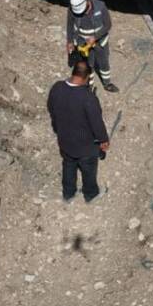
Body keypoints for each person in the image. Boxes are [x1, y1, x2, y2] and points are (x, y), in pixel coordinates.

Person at [48, 61, 109, 202]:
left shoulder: (57, 88)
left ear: (74, 72)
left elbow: (51, 109)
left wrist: (58, 128)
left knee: (68, 165)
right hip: (85, 145)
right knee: (88, 169)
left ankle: (68, 194)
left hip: (64, 140)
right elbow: (96, 123)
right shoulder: (88, 98)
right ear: (86, 77)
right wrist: (103, 139)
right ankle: (91, 194)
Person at [66, 0, 119, 93]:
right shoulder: (72, 9)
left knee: (103, 63)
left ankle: (107, 83)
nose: (81, 13)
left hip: (100, 42)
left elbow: (108, 25)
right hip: (83, 42)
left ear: (87, 2)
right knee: (88, 65)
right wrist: (70, 41)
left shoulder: (100, 6)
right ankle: (88, 86)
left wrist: (95, 37)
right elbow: (69, 25)